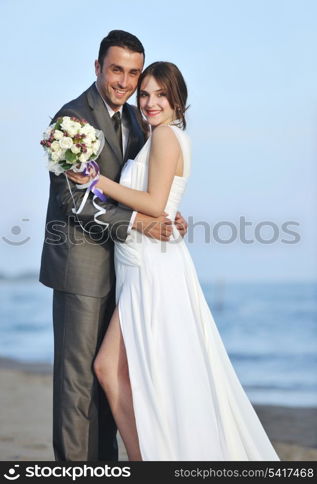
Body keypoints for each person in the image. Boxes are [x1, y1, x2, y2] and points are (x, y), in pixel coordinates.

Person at [67, 61, 280, 461]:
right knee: (122, 373)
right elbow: (163, 207)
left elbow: (153, 203)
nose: (149, 102)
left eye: (160, 94)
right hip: (139, 261)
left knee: (118, 371)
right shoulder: (159, 138)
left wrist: (96, 180)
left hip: (153, 268)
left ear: (177, 98)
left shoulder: (166, 136)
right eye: (144, 94)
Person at [39, 31, 187, 462]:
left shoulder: (136, 123)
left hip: (125, 269)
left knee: (111, 380)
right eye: (116, 69)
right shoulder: (71, 121)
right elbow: (75, 201)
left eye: (133, 73)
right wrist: (141, 221)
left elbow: (141, 186)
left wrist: (167, 215)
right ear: (98, 67)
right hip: (80, 266)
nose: (124, 81)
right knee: (77, 383)